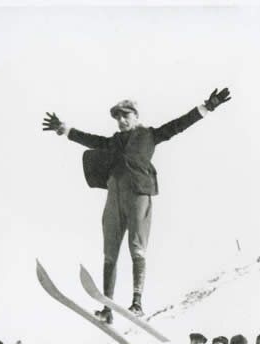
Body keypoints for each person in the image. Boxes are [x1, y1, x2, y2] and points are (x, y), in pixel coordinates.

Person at [43, 89, 231, 324]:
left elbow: (178, 125)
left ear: (135, 116)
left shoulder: (149, 135)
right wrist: (65, 129)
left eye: (125, 116)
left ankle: (137, 303)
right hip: (115, 193)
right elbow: (91, 139)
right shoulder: (113, 141)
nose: (121, 121)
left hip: (138, 194)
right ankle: (107, 308)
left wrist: (207, 107)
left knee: (136, 247)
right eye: (118, 117)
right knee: (110, 250)